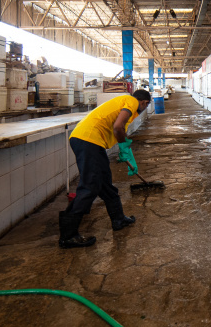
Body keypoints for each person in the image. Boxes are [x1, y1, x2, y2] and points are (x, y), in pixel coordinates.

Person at [59, 88, 152, 249]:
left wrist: (125, 149)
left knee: (105, 183)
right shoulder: (131, 101)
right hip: (88, 140)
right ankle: (68, 236)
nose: (144, 109)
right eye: (146, 106)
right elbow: (118, 127)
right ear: (144, 102)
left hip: (91, 141)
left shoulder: (125, 103)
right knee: (90, 186)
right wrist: (123, 147)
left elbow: (119, 130)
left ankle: (118, 219)